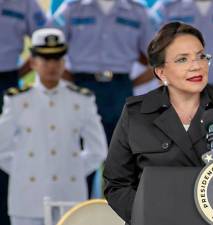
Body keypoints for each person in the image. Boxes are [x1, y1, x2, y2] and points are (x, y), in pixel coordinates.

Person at [103, 22, 213, 224]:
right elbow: (117, 183)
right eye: (182, 59)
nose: (196, 65)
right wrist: (147, 216)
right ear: (161, 72)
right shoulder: (137, 113)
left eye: (201, 56)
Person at [0, 28, 108, 225]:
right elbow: (2, 149)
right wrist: (25, 169)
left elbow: (98, 149)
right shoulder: (16, 100)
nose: (52, 65)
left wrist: (71, 169)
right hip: (27, 198)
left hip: (70, 196)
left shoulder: (81, 99)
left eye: (57, 59)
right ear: (33, 62)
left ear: (64, 63)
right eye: (45, 59)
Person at [49, 0, 155, 142]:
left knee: (120, 151)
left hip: (119, 89)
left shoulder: (138, 11)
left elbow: (159, 57)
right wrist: (67, 77)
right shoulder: (73, 8)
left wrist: (131, 84)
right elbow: (47, 47)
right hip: (80, 85)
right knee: (77, 149)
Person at [0, 1, 46, 224]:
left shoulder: (24, 4)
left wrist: (19, 72)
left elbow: (45, 40)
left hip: (6, 80)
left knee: (6, 151)